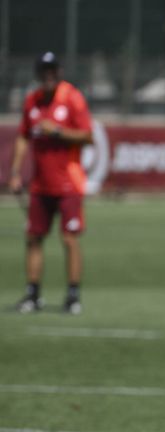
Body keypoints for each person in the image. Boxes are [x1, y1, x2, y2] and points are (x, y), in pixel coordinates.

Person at [9, 52, 93, 314]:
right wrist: (14, 172)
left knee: (69, 238)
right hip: (40, 184)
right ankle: (33, 294)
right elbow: (23, 137)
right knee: (33, 237)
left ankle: (73, 295)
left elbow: (87, 136)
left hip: (69, 182)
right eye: (44, 70)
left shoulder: (72, 98)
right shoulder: (31, 101)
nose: (49, 75)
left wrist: (56, 131)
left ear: (59, 71)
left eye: (52, 70)